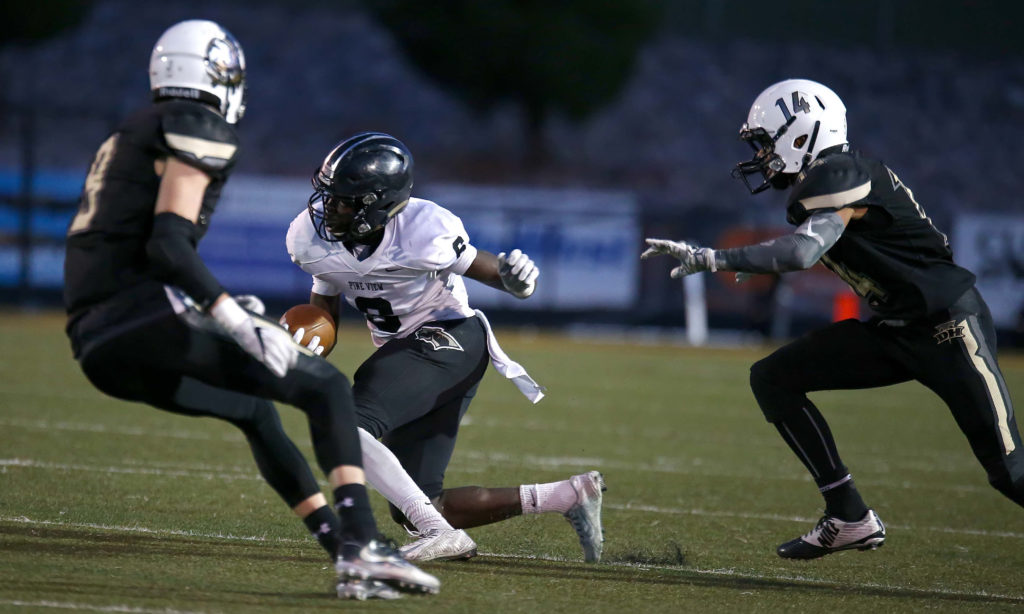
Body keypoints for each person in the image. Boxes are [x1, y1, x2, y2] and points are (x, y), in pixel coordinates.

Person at [62, 20, 438, 600]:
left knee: (256, 412)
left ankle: (340, 547)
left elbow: (127, 251)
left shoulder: (131, 132)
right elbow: (167, 243)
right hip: (141, 321)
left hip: (95, 341)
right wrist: (228, 316)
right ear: (215, 73)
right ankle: (363, 545)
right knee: (327, 389)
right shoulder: (196, 124)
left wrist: (197, 305)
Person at [642, 78, 1022, 559]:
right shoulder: (829, 179)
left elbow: (803, 251)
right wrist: (746, 260)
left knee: (1011, 473)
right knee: (773, 377)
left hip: (947, 326)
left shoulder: (838, 172)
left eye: (765, 144)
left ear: (801, 134)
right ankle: (848, 514)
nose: (761, 157)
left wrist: (714, 258)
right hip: (897, 328)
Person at [285, 132, 607, 563]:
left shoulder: (422, 229)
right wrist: (309, 338)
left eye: (343, 200)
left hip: (450, 337)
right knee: (413, 505)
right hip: (408, 354)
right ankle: (567, 496)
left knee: (345, 423)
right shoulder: (308, 237)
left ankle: (440, 533)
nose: (328, 208)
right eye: (328, 196)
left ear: (377, 205)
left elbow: (490, 270)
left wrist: (517, 282)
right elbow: (325, 302)